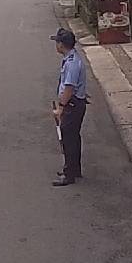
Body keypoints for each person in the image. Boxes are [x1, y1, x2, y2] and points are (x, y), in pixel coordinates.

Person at [50, 28, 88, 187]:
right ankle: (74, 169)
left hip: (72, 106)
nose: (56, 45)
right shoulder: (72, 58)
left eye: (57, 42)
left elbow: (69, 88)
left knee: (68, 140)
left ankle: (69, 174)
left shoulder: (72, 64)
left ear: (61, 44)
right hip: (75, 104)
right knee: (73, 138)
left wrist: (60, 108)